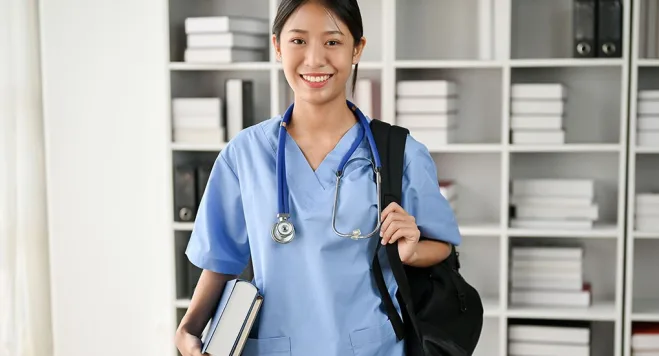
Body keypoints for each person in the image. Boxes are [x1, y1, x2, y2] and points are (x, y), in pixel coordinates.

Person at [174, 0, 461, 355]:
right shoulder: (244, 154)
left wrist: (412, 249)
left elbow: (443, 246)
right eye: (298, 41)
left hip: (371, 347)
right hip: (275, 347)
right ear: (277, 46)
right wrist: (187, 329)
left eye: (332, 42)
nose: (314, 59)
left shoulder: (400, 152)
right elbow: (219, 262)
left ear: (357, 49)